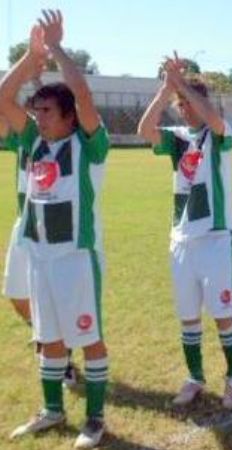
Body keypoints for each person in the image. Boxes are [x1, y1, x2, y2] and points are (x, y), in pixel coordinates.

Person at [0, 10, 110, 448]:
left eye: (46, 110)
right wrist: (31, 57)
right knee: (48, 338)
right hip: (40, 254)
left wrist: (58, 47)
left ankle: (96, 419)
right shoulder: (32, 141)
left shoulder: (88, 145)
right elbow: (4, 96)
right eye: (37, 111)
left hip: (75, 257)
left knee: (89, 337)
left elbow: (82, 93)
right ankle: (51, 410)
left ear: (68, 116)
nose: (38, 116)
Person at [137, 54, 232, 410]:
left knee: (223, 313)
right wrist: (166, 89)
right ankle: (195, 377)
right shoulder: (178, 138)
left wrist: (182, 84)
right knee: (188, 314)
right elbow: (145, 130)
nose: (182, 109)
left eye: (186, 103)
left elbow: (213, 120)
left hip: (215, 237)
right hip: (181, 238)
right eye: (179, 104)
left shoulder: (219, 133)